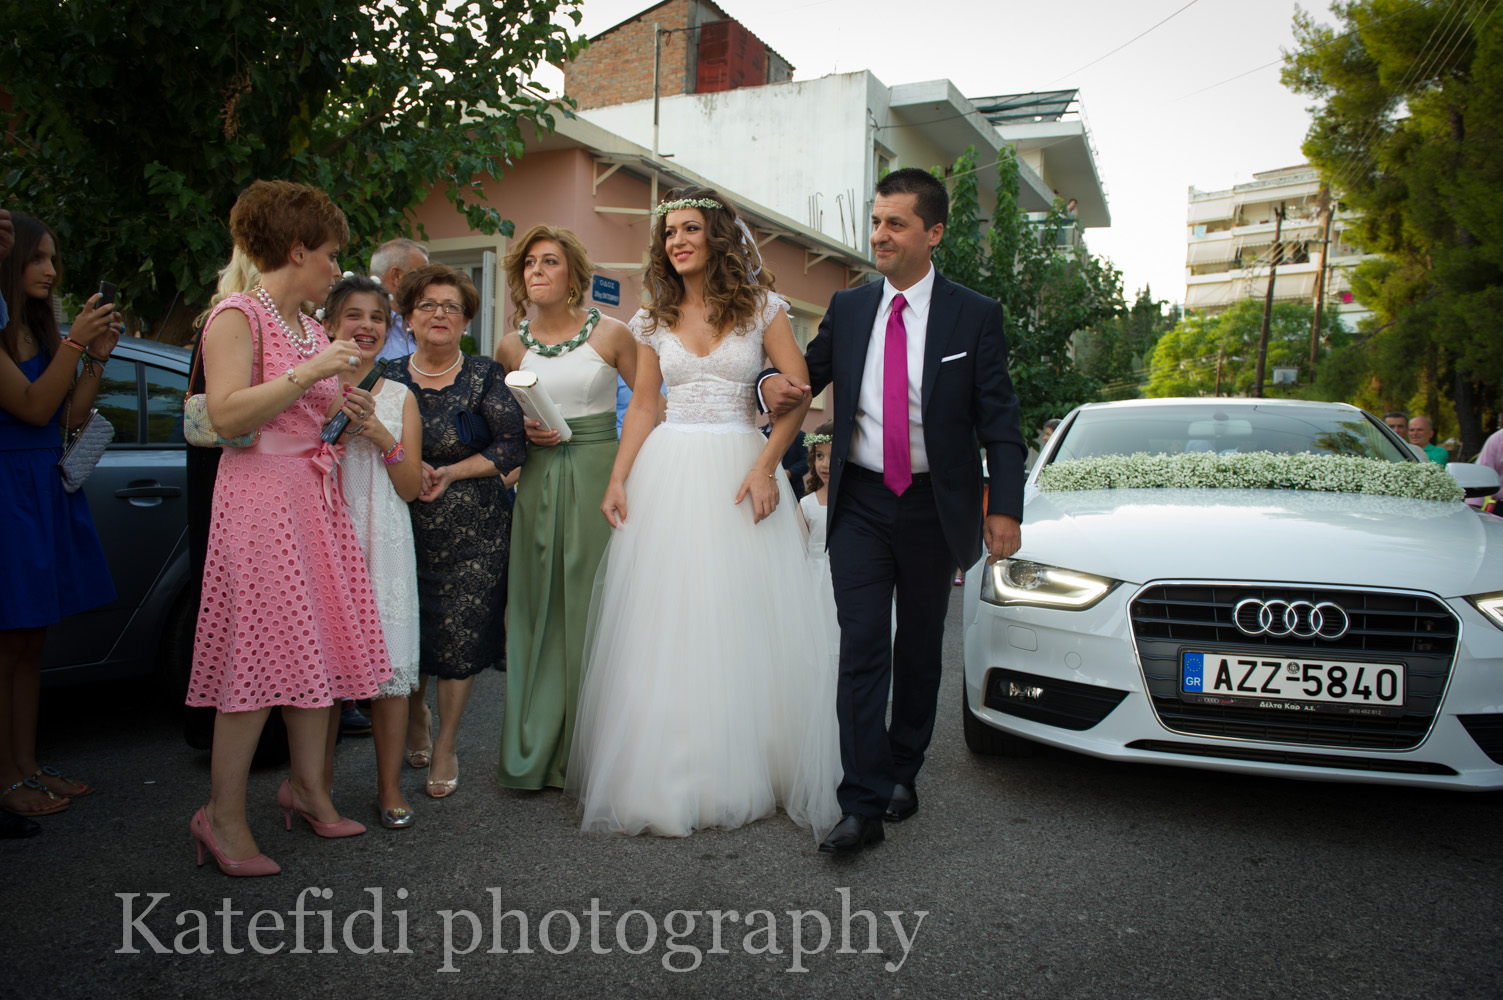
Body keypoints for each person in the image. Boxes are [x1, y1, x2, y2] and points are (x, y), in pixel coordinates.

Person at [762, 167, 1027, 854]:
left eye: (895, 223)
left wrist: (1005, 509)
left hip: (936, 504)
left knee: (918, 647)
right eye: (876, 221)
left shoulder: (975, 314)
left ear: (932, 233)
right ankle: (861, 802)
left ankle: (903, 768)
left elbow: (1000, 422)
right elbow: (802, 376)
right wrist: (765, 383)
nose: (879, 234)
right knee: (861, 644)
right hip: (862, 500)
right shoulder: (849, 308)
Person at [565, 187, 841, 840]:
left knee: (738, 614)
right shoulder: (651, 318)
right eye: (669, 233)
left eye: (690, 229)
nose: (677, 241)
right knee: (667, 619)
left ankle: (746, 764)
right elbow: (644, 404)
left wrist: (766, 465)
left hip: (740, 467)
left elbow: (801, 395)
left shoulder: (764, 308)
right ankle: (667, 772)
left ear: (716, 236)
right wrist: (618, 477)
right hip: (670, 468)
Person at [185, 180, 392, 876]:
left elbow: (310, 418)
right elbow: (226, 414)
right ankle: (222, 815)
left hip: (312, 497)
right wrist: (311, 372)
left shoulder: (306, 326)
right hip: (260, 502)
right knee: (254, 658)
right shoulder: (236, 315)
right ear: (297, 249)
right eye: (330, 254)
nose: (337, 268)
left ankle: (307, 790)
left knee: (314, 649)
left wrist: (346, 414)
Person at [493, 226, 635, 791]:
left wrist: (631, 474)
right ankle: (539, 743)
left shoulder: (614, 334)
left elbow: (651, 406)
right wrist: (524, 432)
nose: (537, 270)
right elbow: (504, 427)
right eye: (530, 262)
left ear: (573, 273)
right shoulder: (509, 347)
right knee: (537, 605)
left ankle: (593, 744)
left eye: (550, 261)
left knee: (593, 600)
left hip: (600, 476)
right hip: (539, 479)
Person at [385, 263, 526, 799]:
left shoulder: (487, 375)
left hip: (478, 532)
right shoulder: (387, 376)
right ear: (409, 318)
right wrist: (405, 462)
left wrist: (451, 471)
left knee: (461, 639)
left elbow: (511, 446)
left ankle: (445, 743)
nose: (439, 314)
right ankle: (416, 715)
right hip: (403, 526)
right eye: (427, 305)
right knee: (411, 630)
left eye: (451, 306)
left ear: (467, 320)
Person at [0, 212, 120, 837]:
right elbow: (31, 405)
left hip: (42, 485)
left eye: (53, 258)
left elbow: (68, 417)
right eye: (37, 258)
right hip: (8, 491)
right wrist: (75, 344)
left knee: (31, 642)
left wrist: (94, 358)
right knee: (7, 643)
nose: (50, 270)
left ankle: (26, 764)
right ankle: (5, 777)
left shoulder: (40, 330)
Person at [323, 275, 424, 827]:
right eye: (354, 315)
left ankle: (389, 789)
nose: (366, 326)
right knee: (323, 672)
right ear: (329, 324)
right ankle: (316, 788)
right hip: (324, 529)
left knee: (391, 670)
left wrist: (382, 435)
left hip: (384, 533)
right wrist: (337, 431)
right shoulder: (308, 386)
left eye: (377, 318)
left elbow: (409, 487)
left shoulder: (400, 395)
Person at [371, 238, 429, 362]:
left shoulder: (423, 323)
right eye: (422, 275)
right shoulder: (364, 328)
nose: (427, 283)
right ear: (396, 276)